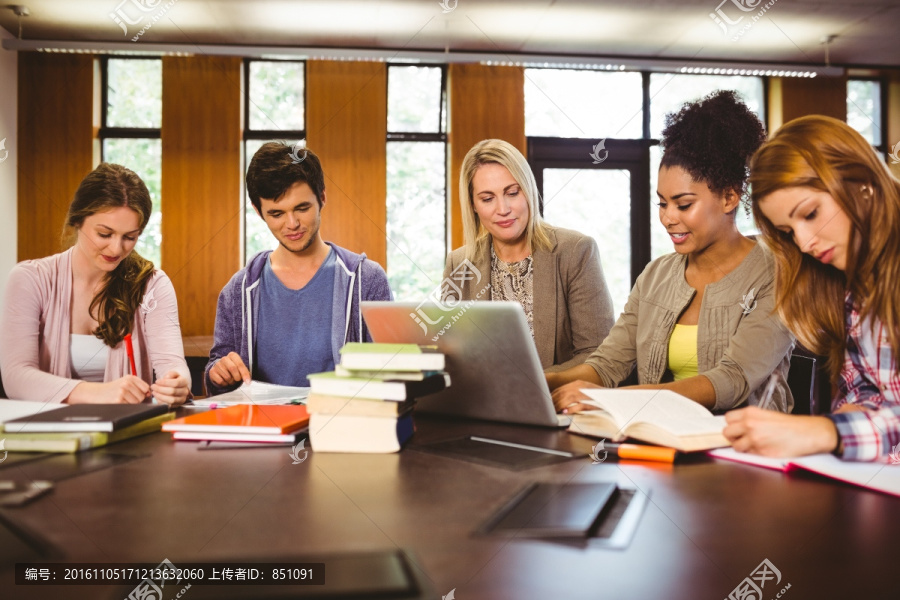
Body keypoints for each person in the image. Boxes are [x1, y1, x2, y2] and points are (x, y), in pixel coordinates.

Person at [548, 90, 795, 413]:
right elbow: (607, 364)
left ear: (730, 198)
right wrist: (533, 379)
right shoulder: (656, 275)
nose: (667, 218)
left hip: (746, 449)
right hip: (662, 441)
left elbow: (731, 380)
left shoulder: (776, 273)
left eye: (684, 204)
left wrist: (613, 399)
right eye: (662, 203)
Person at [725, 115, 900, 462]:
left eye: (810, 214)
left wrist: (825, 431)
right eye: (788, 231)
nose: (804, 244)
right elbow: (870, 396)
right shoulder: (852, 288)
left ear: (862, 182)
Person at [205, 143, 392, 394]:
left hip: (342, 426)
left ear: (322, 197)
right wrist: (218, 373)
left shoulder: (366, 280)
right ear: (258, 212)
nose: (292, 224)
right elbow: (216, 373)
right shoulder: (238, 290)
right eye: (276, 213)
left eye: (301, 208)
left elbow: (393, 376)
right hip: (266, 429)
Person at [0, 163, 191, 405]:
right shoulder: (30, 279)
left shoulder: (152, 285)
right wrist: (100, 393)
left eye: (129, 237)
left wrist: (178, 383)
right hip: (51, 436)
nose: (116, 248)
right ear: (78, 220)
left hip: (128, 436)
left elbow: (173, 365)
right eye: (104, 234)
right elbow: (16, 377)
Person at [443, 139, 615, 372]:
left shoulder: (576, 251)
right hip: (482, 403)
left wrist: (529, 382)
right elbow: (450, 351)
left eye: (512, 193)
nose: (503, 209)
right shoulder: (459, 264)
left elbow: (598, 354)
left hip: (555, 401)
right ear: (473, 205)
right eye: (487, 199)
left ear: (529, 190)